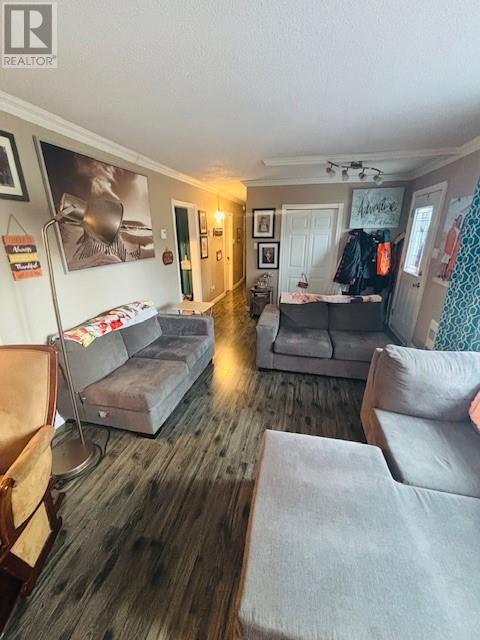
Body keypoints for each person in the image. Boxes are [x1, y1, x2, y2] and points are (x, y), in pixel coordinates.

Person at [439, 215, 462, 280]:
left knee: (450, 263)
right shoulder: (452, 228)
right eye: (459, 219)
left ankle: (446, 275)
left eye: (460, 220)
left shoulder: (460, 230)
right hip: (449, 246)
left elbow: (458, 238)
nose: (459, 221)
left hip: (454, 247)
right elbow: (448, 237)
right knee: (444, 261)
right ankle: (441, 274)